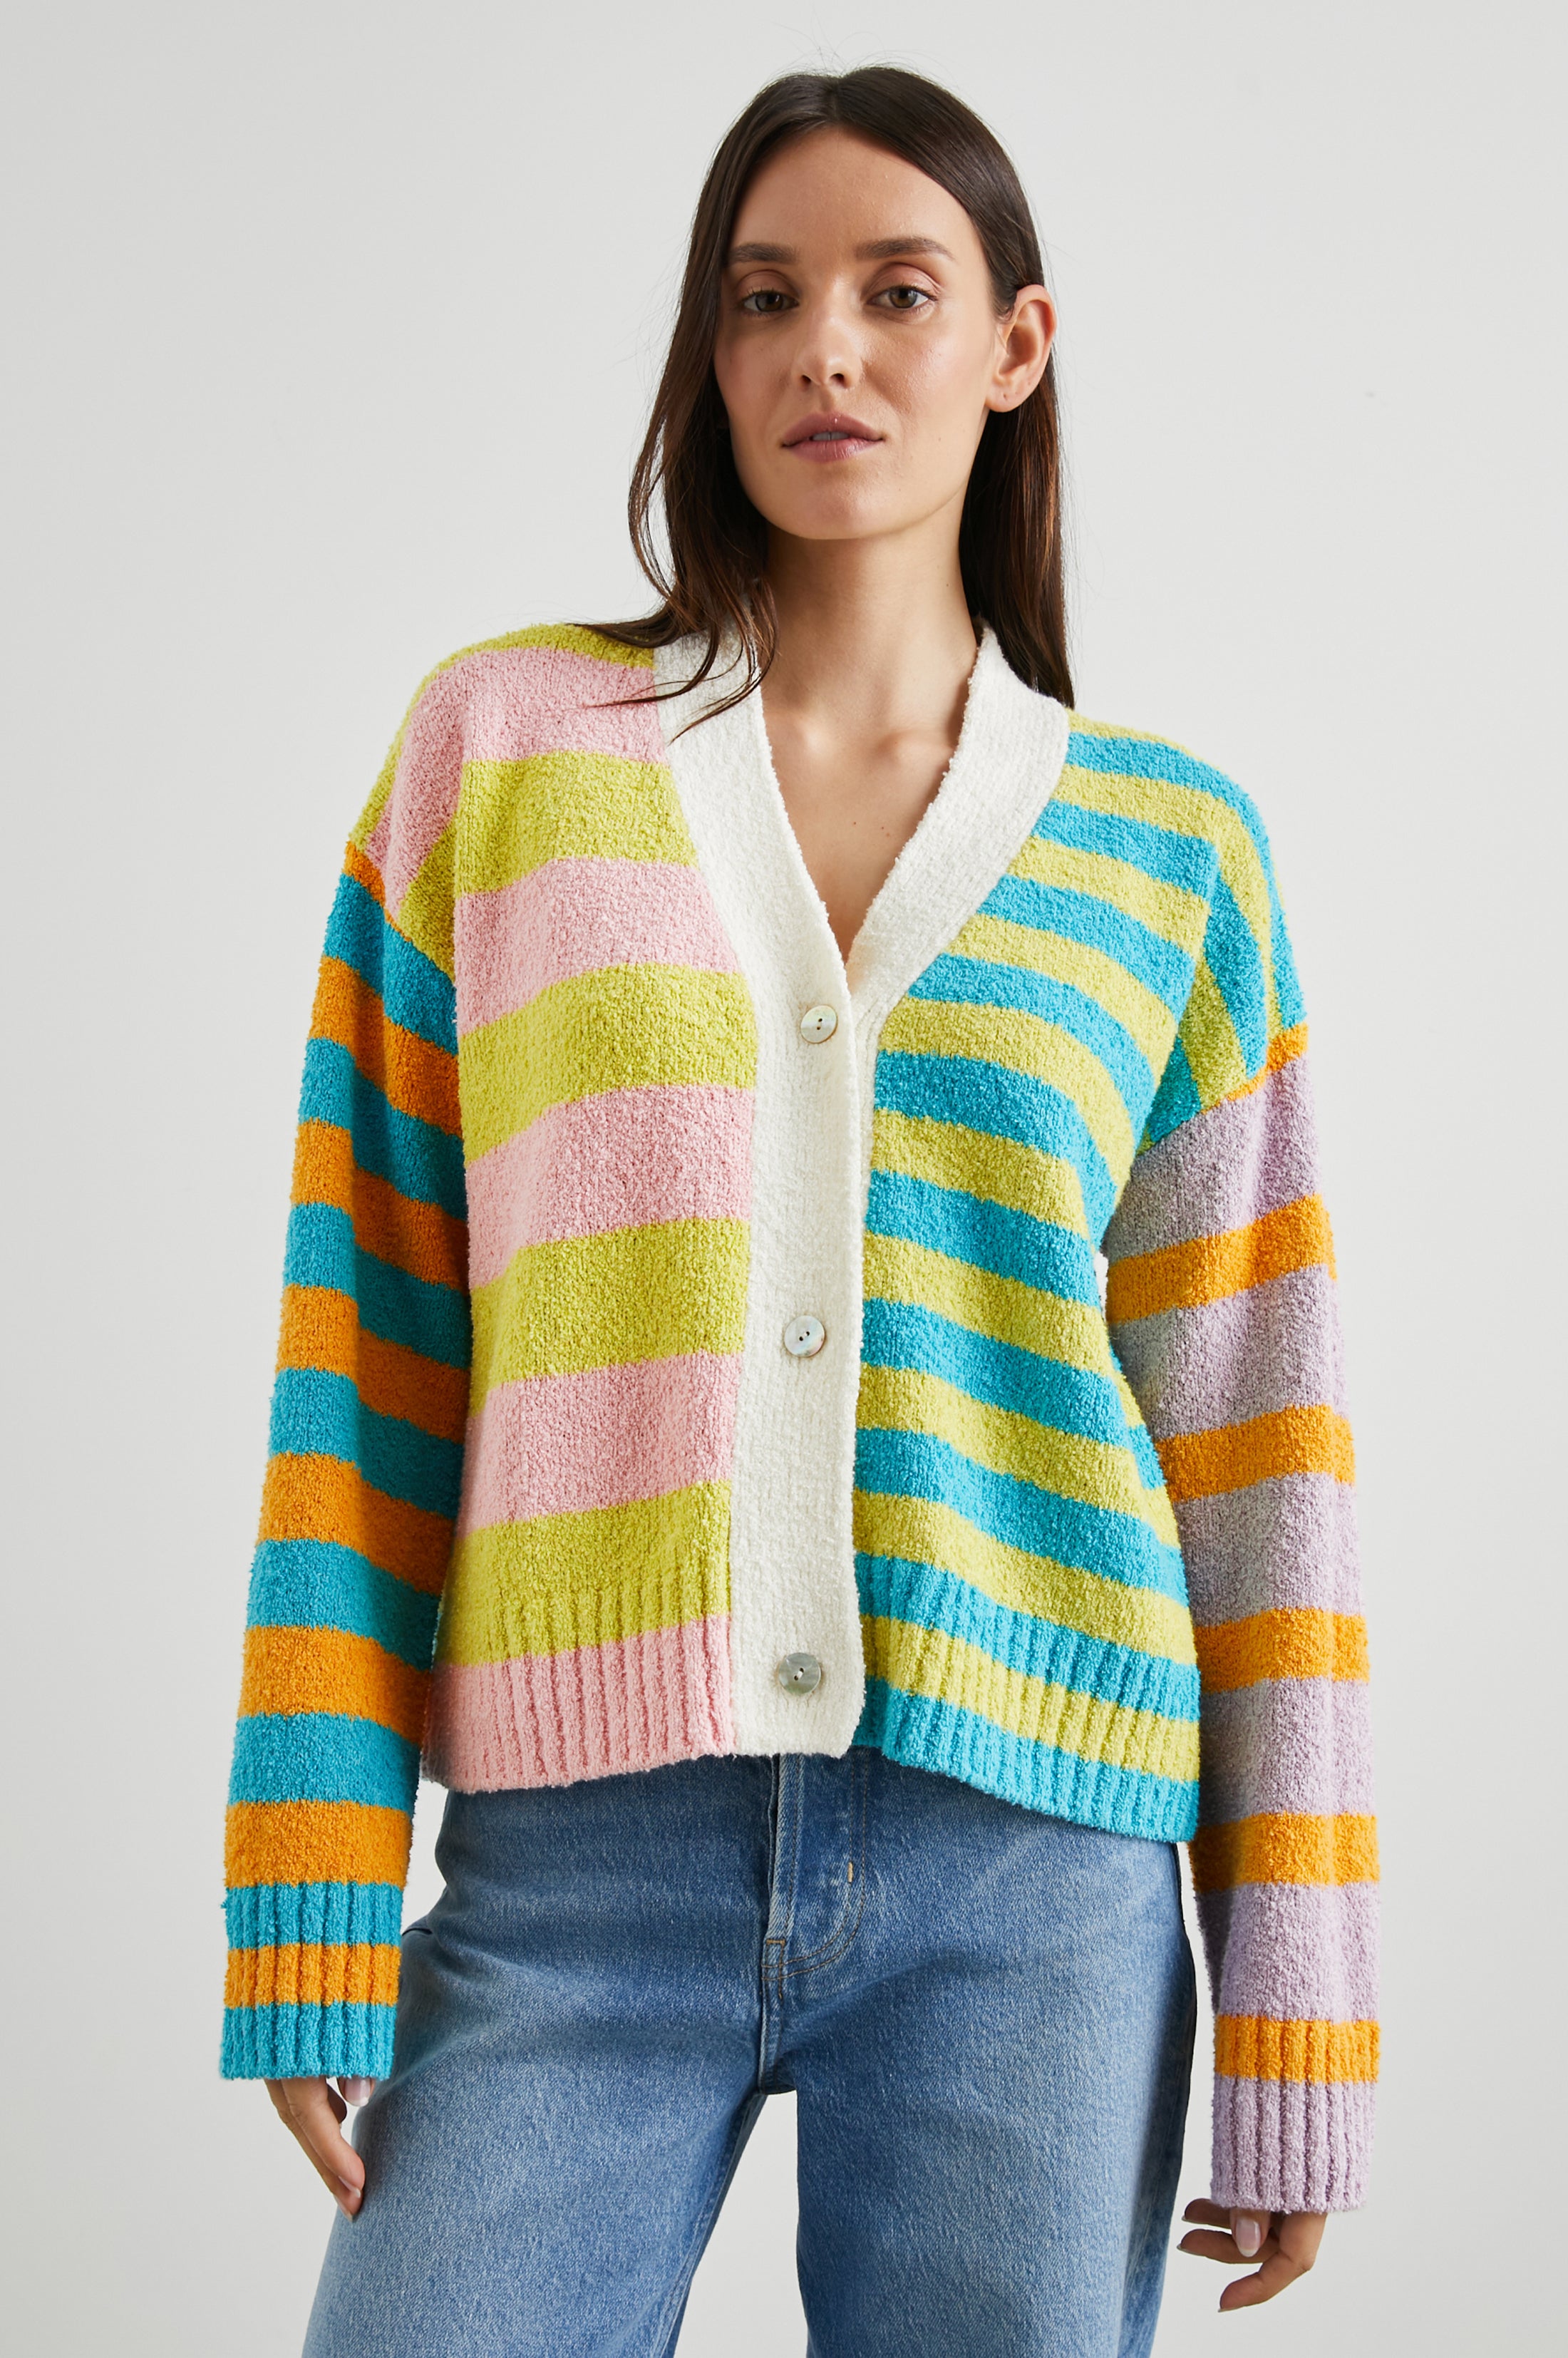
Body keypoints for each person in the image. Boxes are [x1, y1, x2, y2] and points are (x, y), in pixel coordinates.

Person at [223, 66, 1378, 2358]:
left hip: (1031, 1881)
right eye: (762, 300)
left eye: (893, 291)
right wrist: (310, 1872)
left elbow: (1261, 1459)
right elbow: (369, 1340)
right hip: (575, 1858)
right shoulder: (497, 760)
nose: (821, 350)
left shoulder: (1173, 856)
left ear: (1016, 345)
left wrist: (1300, 2005)